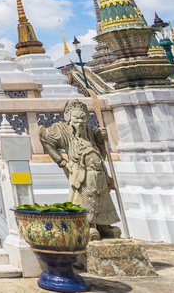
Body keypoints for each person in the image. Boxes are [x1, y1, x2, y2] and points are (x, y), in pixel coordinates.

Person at [39, 99, 120, 240]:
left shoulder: (90, 135)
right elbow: (45, 138)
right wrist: (62, 161)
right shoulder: (64, 132)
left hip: (100, 174)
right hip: (82, 175)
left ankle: (104, 226)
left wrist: (101, 140)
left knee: (103, 199)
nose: (80, 122)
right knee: (85, 200)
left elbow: (101, 154)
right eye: (76, 118)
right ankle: (87, 225)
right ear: (69, 118)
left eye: (83, 118)